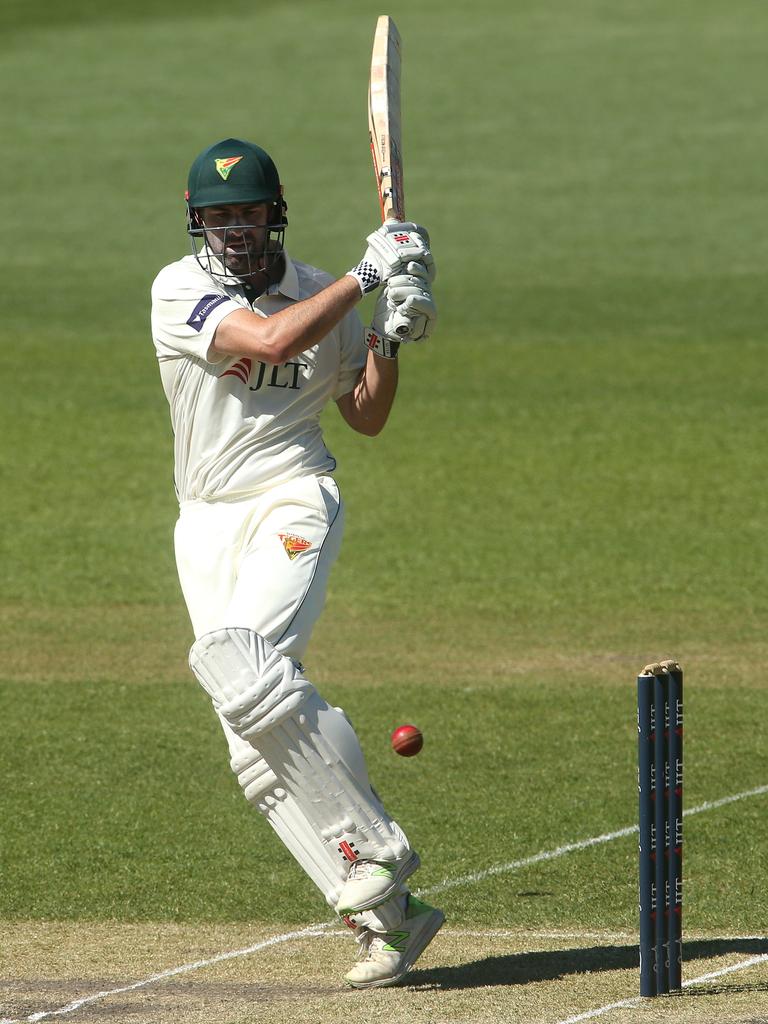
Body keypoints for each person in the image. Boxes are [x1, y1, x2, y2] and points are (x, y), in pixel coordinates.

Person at [150, 137, 443, 989]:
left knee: (248, 663)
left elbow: (367, 415)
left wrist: (389, 334)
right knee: (250, 737)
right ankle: (392, 922)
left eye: (247, 213)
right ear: (198, 223)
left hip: (293, 496)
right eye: (218, 217)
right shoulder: (180, 288)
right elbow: (271, 343)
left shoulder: (322, 290)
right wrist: (371, 276)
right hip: (204, 520)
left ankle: (377, 854)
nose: (234, 230)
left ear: (275, 214)